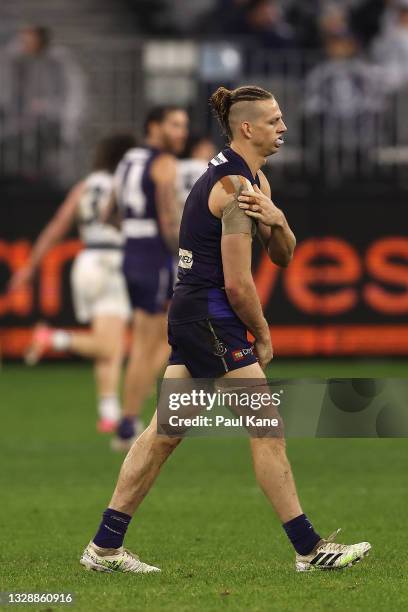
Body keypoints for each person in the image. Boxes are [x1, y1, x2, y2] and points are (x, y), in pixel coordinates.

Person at [80, 85, 371, 573]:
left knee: (164, 434)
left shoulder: (253, 182)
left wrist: (278, 221)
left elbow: (282, 254)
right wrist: (262, 332)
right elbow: (238, 283)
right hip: (213, 317)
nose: (283, 128)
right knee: (267, 428)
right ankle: (308, 548)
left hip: (195, 315)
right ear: (247, 128)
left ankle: (103, 548)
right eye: (275, 120)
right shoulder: (234, 188)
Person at [8, 133, 136, 433]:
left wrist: (29, 266)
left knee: (109, 345)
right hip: (114, 263)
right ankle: (53, 338)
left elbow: (56, 228)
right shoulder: (127, 185)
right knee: (109, 344)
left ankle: (109, 412)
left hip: (87, 261)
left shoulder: (85, 186)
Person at [110, 106, 189, 451]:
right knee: (156, 344)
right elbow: (168, 218)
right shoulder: (164, 163)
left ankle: (128, 422)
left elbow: (108, 214)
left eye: (184, 126)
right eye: (175, 125)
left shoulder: (128, 159)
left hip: (131, 251)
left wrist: (133, 236)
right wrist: (186, 255)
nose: (181, 132)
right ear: (154, 127)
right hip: (156, 256)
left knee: (145, 343)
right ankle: (128, 423)